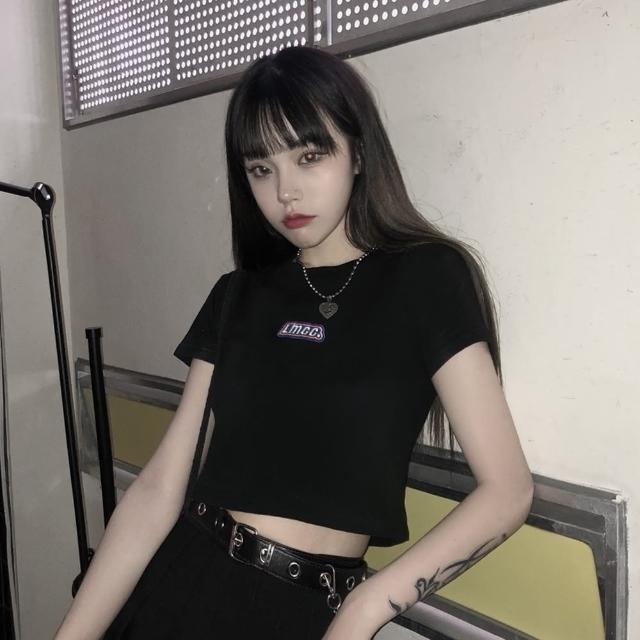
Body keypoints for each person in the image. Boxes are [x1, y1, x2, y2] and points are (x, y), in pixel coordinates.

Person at [54, 45, 533, 640]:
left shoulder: (428, 277)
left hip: (309, 613)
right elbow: (157, 490)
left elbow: (508, 491)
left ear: (359, 152)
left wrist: (363, 610)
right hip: (183, 581)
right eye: (261, 168)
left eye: (309, 156)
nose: (285, 191)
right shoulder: (238, 295)